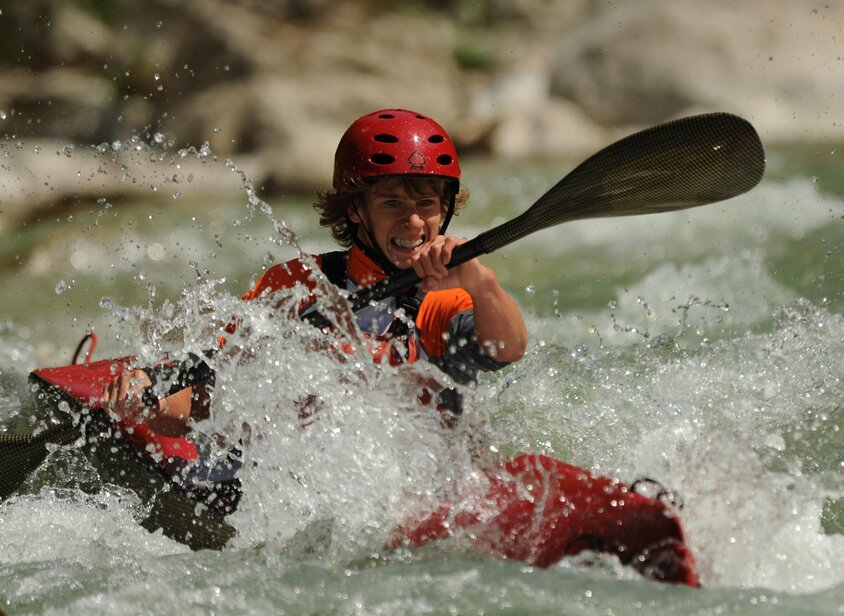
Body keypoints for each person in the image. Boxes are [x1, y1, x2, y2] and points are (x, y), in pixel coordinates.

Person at [101, 108, 527, 431]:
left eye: (426, 204)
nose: (413, 222)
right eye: (392, 203)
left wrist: (482, 283)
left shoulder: (448, 295)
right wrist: (151, 406)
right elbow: (216, 393)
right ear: (355, 210)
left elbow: (507, 349)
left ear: (444, 209)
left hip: (423, 477)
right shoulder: (297, 285)